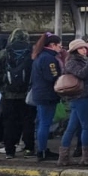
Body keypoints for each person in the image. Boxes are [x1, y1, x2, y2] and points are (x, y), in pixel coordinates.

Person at [0, 29, 37, 160]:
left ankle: (9, 151)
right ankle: (29, 148)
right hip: (27, 95)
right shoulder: (32, 53)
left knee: (9, 123)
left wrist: (1, 88)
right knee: (28, 122)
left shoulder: (3, 53)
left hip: (8, 95)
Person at [57, 39, 88, 166]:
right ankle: (86, 157)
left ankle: (64, 157)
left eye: (85, 48)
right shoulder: (73, 62)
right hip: (81, 97)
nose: (84, 50)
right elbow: (82, 74)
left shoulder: (79, 61)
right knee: (86, 127)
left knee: (72, 127)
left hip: (80, 97)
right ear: (75, 50)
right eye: (81, 48)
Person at [29, 33, 63, 161]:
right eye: (59, 45)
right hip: (47, 95)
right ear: (52, 45)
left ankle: (41, 149)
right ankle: (42, 151)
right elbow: (52, 76)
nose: (61, 47)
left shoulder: (39, 56)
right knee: (45, 123)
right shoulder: (49, 58)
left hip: (40, 94)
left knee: (41, 123)